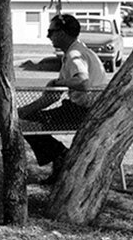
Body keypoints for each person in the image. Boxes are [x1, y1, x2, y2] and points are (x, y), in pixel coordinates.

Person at [18, 13, 106, 184]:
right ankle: (59, 159)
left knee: (26, 125)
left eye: (51, 32)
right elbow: (53, 96)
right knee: (27, 119)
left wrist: (59, 82)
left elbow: (83, 82)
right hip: (87, 109)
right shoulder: (79, 50)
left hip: (83, 112)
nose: (48, 36)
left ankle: (62, 156)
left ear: (63, 33)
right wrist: (24, 110)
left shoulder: (74, 54)